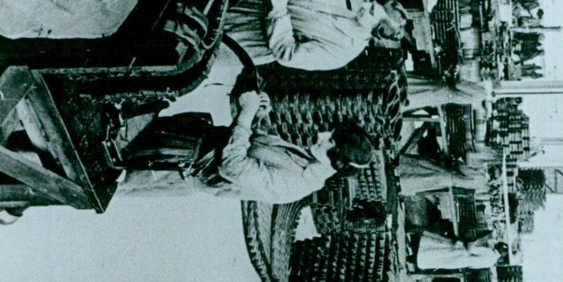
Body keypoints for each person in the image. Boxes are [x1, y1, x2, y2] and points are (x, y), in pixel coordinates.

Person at [119, 90, 373, 203]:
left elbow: (232, 166)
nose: (322, 133)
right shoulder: (307, 159)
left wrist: (247, 113)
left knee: (104, 172)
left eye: (330, 139)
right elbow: (256, 146)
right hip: (188, 141)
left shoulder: (296, 184)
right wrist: (259, 116)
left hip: (174, 167)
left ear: (336, 159)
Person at [222, 0, 407, 72]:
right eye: (371, 3)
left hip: (246, 39)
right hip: (253, 9)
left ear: (377, 30)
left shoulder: (344, 51)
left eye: (372, 11)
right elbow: (314, 14)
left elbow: (287, 54)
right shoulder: (353, 17)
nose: (365, 6)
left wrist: (279, 9)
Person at [415, 231, 501, 271]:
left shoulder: (490, 253)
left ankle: (416, 253)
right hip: (462, 263)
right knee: (439, 261)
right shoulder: (491, 262)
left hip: (461, 254)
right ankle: (416, 260)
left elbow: (470, 248)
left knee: (438, 253)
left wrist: (474, 240)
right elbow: (473, 267)